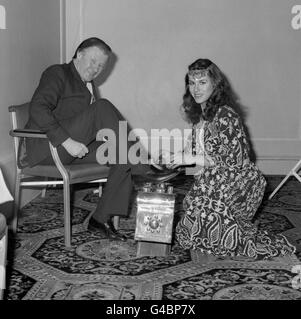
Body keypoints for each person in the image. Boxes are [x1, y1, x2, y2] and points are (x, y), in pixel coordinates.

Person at [23, 37, 177, 242]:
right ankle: (144, 166)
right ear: (79, 54)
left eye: (101, 66)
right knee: (103, 107)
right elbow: (38, 108)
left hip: (74, 149)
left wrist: (109, 141)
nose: (96, 68)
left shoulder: (87, 86)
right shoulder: (57, 73)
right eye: (93, 61)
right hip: (47, 148)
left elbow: (89, 126)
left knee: (120, 154)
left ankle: (100, 218)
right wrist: (66, 141)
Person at [168, 58, 296, 260]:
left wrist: (189, 157)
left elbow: (231, 162)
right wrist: (175, 157)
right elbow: (193, 149)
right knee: (188, 236)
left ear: (215, 84)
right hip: (212, 180)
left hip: (238, 182)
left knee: (218, 241)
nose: (196, 89)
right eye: (192, 83)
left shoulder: (226, 116)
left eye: (202, 83)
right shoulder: (200, 116)